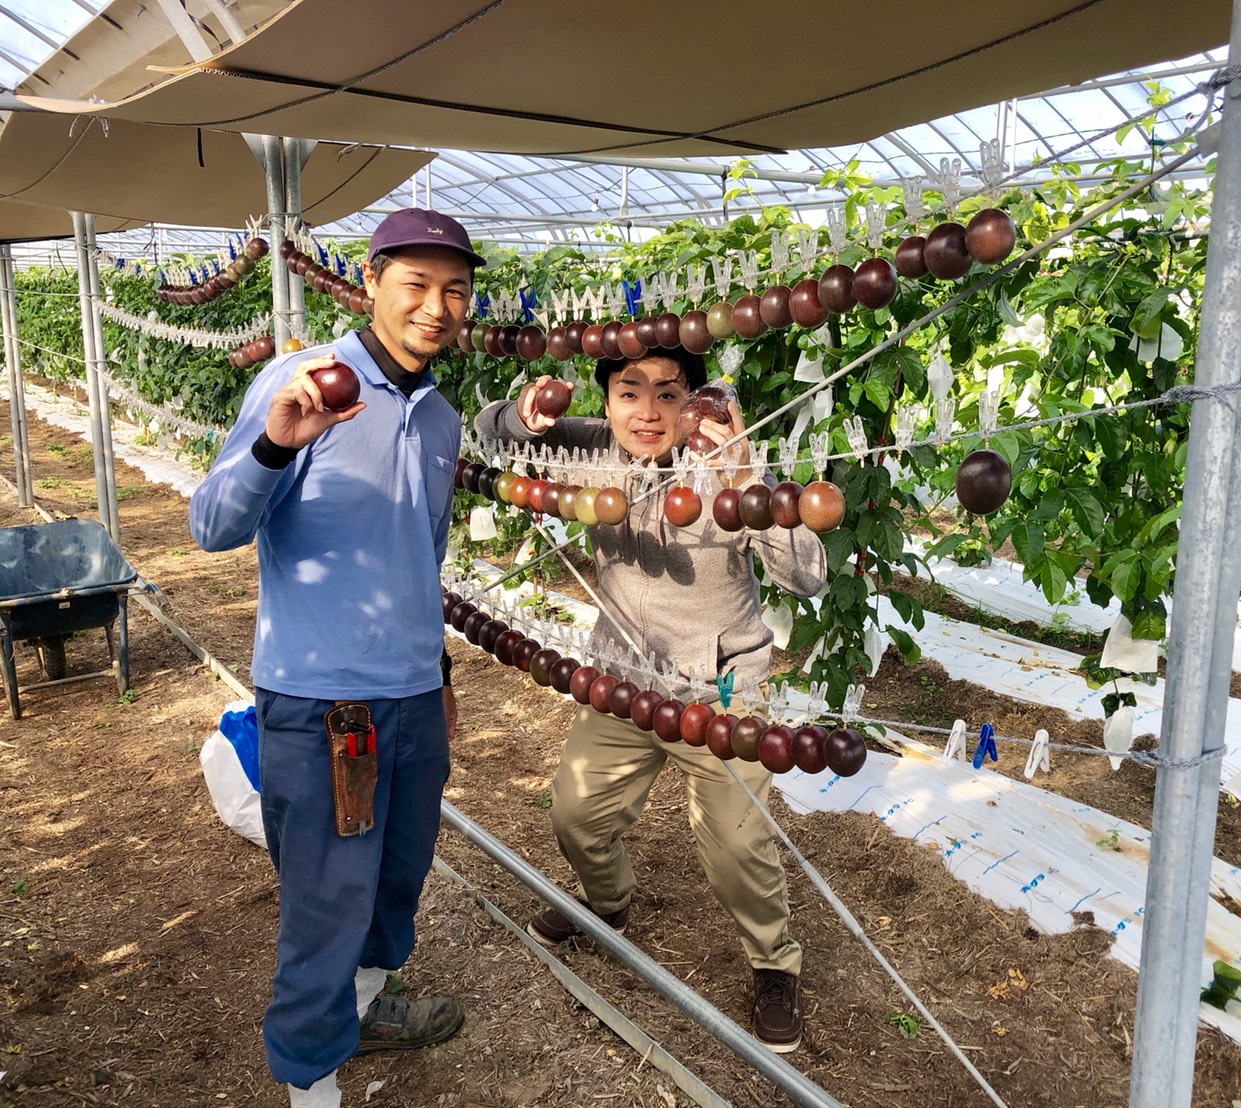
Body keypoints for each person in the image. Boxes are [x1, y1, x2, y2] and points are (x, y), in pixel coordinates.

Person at [190, 208, 481, 1107]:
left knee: (396, 882)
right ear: (370, 279)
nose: (436, 307)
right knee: (326, 906)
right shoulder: (304, 385)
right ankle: (311, 1084)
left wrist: (437, 674)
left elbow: (423, 558)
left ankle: (358, 1012)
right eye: (417, 284)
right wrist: (276, 444)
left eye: (455, 291)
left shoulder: (441, 418)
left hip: (410, 696)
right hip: (324, 703)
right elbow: (212, 524)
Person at [474, 347, 826, 1053]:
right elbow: (489, 433)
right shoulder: (592, 451)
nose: (647, 411)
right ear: (605, 402)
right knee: (574, 814)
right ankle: (607, 903)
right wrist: (524, 415)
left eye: (668, 393)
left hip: (719, 692)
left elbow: (808, 577)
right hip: (624, 684)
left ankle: (773, 964)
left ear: (693, 401)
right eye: (629, 391)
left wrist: (747, 479)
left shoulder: (729, 466)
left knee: (739, 846)